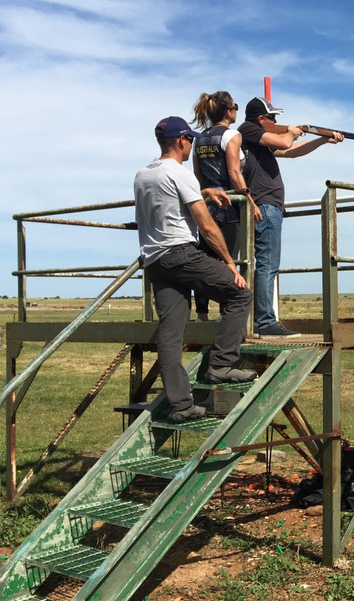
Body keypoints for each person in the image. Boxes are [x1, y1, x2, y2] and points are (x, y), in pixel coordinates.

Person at [134, 116, 255, 423]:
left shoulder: (143, 175)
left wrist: (204, 192)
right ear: (181, 141)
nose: (191, 145)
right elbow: (206, 225)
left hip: (155, 261)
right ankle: (221, 365)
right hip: (182, 254)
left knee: (171, 334)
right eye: (190, 140)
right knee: (239, 295)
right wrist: (229, 262)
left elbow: (168, 202)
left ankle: (180, 405)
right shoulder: (180, 173)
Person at [238, 97, 343, 336]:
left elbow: (292, 152)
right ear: (260, 119)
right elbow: (286, 143)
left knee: (266, 264)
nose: (276, 121)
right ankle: (264, 322)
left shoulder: (259, 140)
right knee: (267, 265)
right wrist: (294, 131)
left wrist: (322, 140)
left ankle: (259, 320)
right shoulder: (249, 130)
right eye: (272, 117)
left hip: (267, 206)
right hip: (264, 206)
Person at [190, 91, 261, 322]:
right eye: (235, 107)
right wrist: (250, 202)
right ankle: (226, 314)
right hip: (229, 206)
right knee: (231, 260)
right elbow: (233, 173)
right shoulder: (231, 135)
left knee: (205, 261)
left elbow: (198, 177)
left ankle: (201, 316)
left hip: (206, 204)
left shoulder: (199, 139)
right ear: (229, 111)